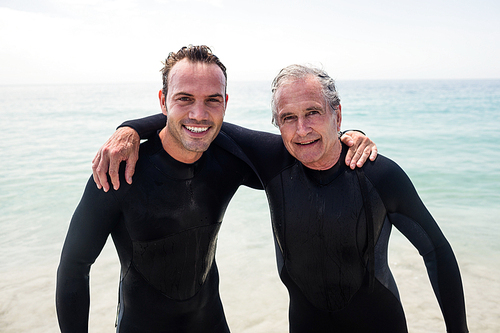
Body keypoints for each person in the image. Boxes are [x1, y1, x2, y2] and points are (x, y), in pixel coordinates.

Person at [94, 66, 468, 332]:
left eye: (313, 113)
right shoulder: (272, 160)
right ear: (276, 123)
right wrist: (129, 129)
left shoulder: (377, 174)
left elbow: (436, 252)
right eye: (288, 117)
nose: (302, 129)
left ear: (336, 114)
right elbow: (196, 122)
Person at [57, 45, 375, 333]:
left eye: (212, 100)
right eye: (184, 98)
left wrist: (348, 134)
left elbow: (304, 146)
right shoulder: (121, 168)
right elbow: (74, 268)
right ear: (162, 101)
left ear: (225, 103)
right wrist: (129, 128)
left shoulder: (228, 156)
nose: (199, 113)